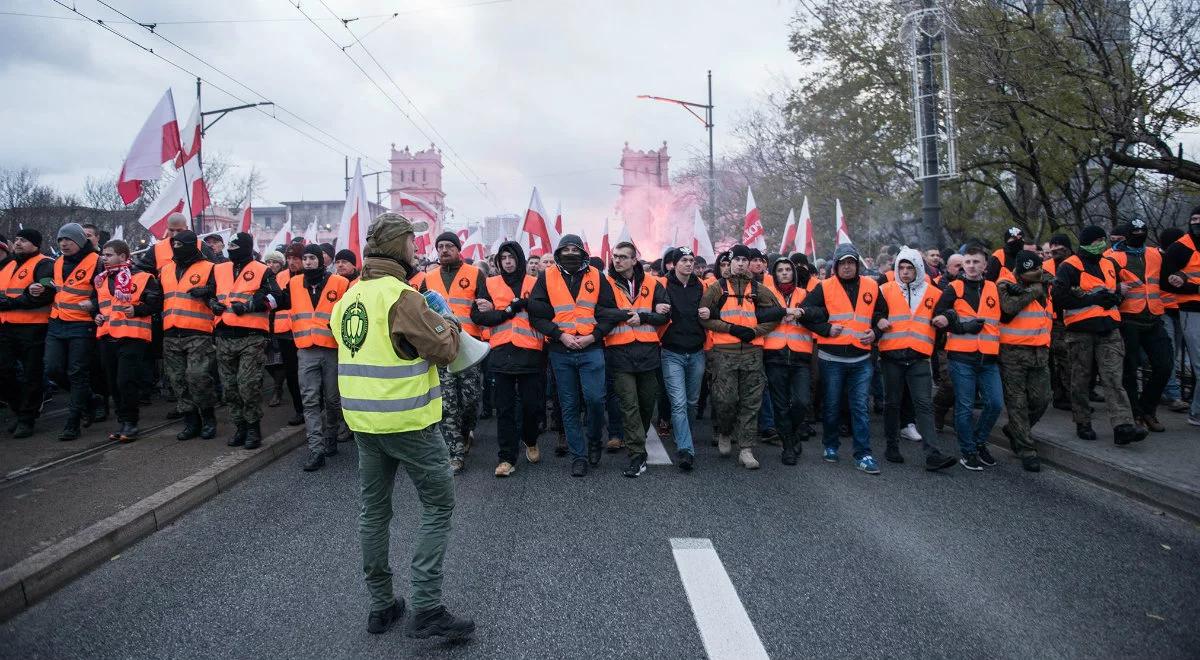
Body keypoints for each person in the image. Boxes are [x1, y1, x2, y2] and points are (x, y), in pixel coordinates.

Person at [330, 212, 473, 640]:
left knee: (374, 512)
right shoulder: (404, 296)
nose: (418, 251)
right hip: (408, 422)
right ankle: (427, 607)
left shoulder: (349, 297)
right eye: (413, 244)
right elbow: (446, 350)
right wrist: (446, 319)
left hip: (363, 424)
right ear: (398, 247)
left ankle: (381, 606)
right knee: (438, 506)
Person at [528, 234, 619, 477]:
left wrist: (594, 336)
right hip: (561, 350)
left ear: (582, 252)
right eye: (565, 249)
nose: (570, 253)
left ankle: (594, 441)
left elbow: (610, 313)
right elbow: (536, 314)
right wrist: (560, 335)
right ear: (558, 253)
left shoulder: (597, 277)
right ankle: (579, 455)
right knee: (568, 405)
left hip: (591, 348)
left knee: (595, 400)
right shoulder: (546, 277)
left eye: (574, 249)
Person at [1052, 225, 1147, 444]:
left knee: (1113, 377)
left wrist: (1115, 298)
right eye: (1097, 241)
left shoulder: (1109, 263)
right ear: (1086, 243)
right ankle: (1082, 421)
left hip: (1109, 329)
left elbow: (1113, 291)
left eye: (1102, 241)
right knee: (1081, 379)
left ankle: (1123, 426)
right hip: (1080, 332)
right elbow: (1058, 298)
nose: (1101, 245)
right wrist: (1091, 300)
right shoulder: (1069, 266)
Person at [872, 248, 958, 470]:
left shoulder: (934, 293)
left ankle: (933, 454)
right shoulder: (885, 289)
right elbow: (873, 313)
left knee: (924, 405)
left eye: (910, 268)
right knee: (892, 403)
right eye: (901, 267)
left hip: (919, 357)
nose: (905, 272)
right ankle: (892, 446)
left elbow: (950, 312)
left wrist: (945, 317)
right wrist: (879, 320)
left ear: (918, 268)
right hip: (891, 356)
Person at [800, 243, 881, 474]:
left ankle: (863, 454)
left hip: (861, 359)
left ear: (857, 265)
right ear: (836, 266)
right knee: (833, 405)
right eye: (843, 263)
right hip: (831, 357)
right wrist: (825, 329)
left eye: (851, 263)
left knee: (860, 407)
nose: (847, 267)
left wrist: (877, 331)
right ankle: (831, 444)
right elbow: (804, 313)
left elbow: (882, 314)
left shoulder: (872, 286)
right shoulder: (824, 287)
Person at [699, 244, 780, 470]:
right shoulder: (717, 288)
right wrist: (730, 329)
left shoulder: (759, 289)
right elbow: (704, 317)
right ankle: (725, 431)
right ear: (730, 262)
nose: (742, 264)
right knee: (725, 400)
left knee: (751, 402)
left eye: (746, 260)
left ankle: (746, 448)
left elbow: (775, 316)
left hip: (753, 354)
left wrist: (755, 332)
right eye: (737, 260)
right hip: (724, 354)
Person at [471, 241, 543, 477]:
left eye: (511, 257)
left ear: (520, 259)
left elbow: (547, 311)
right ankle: (506, 457)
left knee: (532, 407)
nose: (508, 262)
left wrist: (525, 304)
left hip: (531, 352)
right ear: (498, 262)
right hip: (501, 353)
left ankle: (530, 439)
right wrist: (504, 312)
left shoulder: (535, 282)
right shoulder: (489, 283)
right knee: (504, 409)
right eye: (503, 258)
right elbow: (478, 316)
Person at [420, 231, 488, 474]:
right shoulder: (428, 278)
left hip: (468, 347)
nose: (444, 250)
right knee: (447, 402)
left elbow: (485, 308)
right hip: (441, 349)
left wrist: (487, 308)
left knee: (469, 400)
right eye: (440, 246)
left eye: (449, 246)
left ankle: (466, 430)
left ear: (459, 250)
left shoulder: (475, 274)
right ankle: (455, 453)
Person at [933, 244, 1004, 470]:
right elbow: (937, 318)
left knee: (994, 403)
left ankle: (979, 442)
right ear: (962, 265)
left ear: (985, 265)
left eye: (976, 262)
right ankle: (968, 451)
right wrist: (963, 327)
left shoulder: (994, 288)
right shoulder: (953, 288)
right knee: (964, 406)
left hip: (988, 358)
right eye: (968, 262)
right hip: (961, 358)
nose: (972, 266)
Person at [281, 244, 350, 471]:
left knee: (332, 400)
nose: (308, 262)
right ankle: (316, 449)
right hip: (306, 350)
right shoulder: (292, 284)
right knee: (310, 400)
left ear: (322, 260)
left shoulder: (340, 283)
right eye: (305, 258)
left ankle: (330, 437)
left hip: (332, 349)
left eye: (312, 258)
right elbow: (280, 304)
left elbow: (349, 314)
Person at [605, 241, 670, 478]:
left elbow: (665, 315)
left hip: (648, 354)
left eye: (623, 257)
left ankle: (636, 439)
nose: (618, 260)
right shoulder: (606, 283)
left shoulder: (653, 283)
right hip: (620, 353)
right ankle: (636, 455)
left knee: (646, 403)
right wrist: (627, 315)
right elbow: (600, 312)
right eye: (615, 256)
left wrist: (642, 317)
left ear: (634, 260)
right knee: (629, 405)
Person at [211, 232, 280, 450]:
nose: (231, 249)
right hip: (224, 336)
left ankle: (253, 428)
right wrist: (211, 303)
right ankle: (239, 426)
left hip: (251, 338)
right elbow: (212, 293)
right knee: (230, 388)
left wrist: (251, 305)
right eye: (228, 246)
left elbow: (276, 298)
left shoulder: (262, 270)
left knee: (247, 385)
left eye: (235, 246)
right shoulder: (219, 268)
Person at [1106, 219, 1172, 432]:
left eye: (1143, 231)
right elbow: (1099, 283)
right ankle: (1135, 414)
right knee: (1129, 370)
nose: (1139, 235)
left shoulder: (1155, 254)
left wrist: (1178, 276)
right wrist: (1116, 287)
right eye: (1135, 232)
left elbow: (1168, 274)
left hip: (1153, 317)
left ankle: (1147, 409)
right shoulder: (1111, 257)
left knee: (1165, 366)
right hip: (1127, 320)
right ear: (1126, 235)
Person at [93, 239, 161, 442]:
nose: (104, 258)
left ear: (123, 256)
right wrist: (95, 316)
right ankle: (123, 422)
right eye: (103, 255)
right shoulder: (101, 280)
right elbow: (102, 307)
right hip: (107, 336)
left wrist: (138, 309)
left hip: (132, 337)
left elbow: (156, 302)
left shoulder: (143, 277)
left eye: (109, 255)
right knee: (113, 383)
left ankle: (131, 423)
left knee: (126, 381)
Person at [996, 250, 1054, 472]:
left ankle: (1015, 429)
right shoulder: (1004, 283)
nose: (1035, 274)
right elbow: (1008, 308)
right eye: (1029, 271)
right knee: (1017, 402)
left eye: (1037, 270)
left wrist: (1040, 287)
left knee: (1042, 399)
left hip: (1040, 349)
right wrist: (1033, 291)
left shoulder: (1045, 282)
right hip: (1013, 351)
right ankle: (1026, 448)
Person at [44, 223, 102, 441]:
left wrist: (94, 303)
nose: (64, 244)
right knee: (52, 369)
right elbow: (58, 289)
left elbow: (108, 291)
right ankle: (90, 398)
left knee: (77, 373)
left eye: (68, 240)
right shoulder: (57, 262)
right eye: (60, 240)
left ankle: (73, 422)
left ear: (79, 241)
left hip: (81, 324)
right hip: (57, 323)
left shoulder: (97, 262)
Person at [160, 230, 219, 441]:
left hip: (198, 333)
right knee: (177, 380)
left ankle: (208, 417)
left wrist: (208, 291)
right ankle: (191, 421)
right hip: (171, 332)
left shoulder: (210, 268)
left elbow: (220, 292)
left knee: (198, 377)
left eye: (180, 244)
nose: (176, 248)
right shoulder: (166, 270)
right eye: (174, 244)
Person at [0, 228, 54, 437]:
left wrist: (11, 304)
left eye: (23, 240)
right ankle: (19, 408)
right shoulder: (10, 265)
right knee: (4, 371)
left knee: (32, 374)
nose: (18, 242)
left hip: (34, 328)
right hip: (7, 327)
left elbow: (43, 295)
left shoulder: (44, 263)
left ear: (35, 244)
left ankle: (27, 418)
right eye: (17, 239)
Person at [762, 256, 816, 466]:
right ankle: (787, 446)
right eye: (780, 270)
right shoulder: (768, 294)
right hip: (774, 355)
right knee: (780, 404)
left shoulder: (804, 294)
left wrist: (801, 312)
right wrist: (782, 312)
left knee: (802, 401)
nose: (784, 273)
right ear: (774, 274)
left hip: (800, 355)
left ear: (794, 272)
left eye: (788, 269)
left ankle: (792, 432)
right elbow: (760, 314)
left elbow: (819, 312)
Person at [660, 246, 707, 471]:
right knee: (678, 402)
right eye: (684, 260)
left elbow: (713, 311)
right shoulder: (662, 285)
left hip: (697, 351)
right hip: (672, 352)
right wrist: (657, 308)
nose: (689, 264)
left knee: (692, 402)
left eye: (691, 260)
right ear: (674, 263)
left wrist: (710, 313)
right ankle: (686, 450)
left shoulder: (702, 286)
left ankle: (682, 435)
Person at [1159, 205, 1200, 426]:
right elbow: (1166, 282)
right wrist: (1194, 289)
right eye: (1194, 219)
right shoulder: (1179, 248)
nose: (1197, 223)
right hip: (1189, 311)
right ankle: (1195, 412)